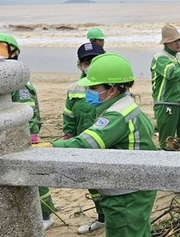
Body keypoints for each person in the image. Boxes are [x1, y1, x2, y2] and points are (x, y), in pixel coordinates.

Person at [35, 53, 158, 237]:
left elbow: (85, 143)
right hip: (134, 189)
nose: (89, 92)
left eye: (93, 87)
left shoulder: (117, 115)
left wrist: (49, 148)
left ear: (113, 90)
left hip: (126, 194)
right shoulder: (125, 106)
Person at [0, 32, 55, 230]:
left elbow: (29, 113)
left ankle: (46, 215)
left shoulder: (20, 84)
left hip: (22, 137)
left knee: (34, 175)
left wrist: (33, 135)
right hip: (3, 138)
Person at [63, 42, 108, 234]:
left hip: (108, 144)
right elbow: (69, 115)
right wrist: (68, 135)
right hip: (84, 143)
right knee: (93, 184)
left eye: (94, 60)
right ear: (80, 64)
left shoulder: (111, 86)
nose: (89, 64)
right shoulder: (74, 88)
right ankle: (102, 218)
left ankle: (113, 219)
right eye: (86, 61)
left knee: (111, 183)